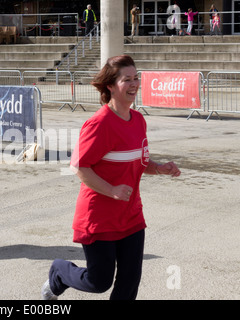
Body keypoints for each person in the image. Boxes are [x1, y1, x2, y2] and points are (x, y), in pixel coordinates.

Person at [41, 55, 181, 300]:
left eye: (136, 78)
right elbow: (78, 166)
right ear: (110, 85)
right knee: (99, 282)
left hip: (131, 215)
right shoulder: (99, 123)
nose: (134, 84)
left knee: (129, 283)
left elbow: (139, 160)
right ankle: (60, 273)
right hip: (99, 218)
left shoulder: (138, 120)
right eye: (127, 79)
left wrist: (159, 168)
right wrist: (112, 190)